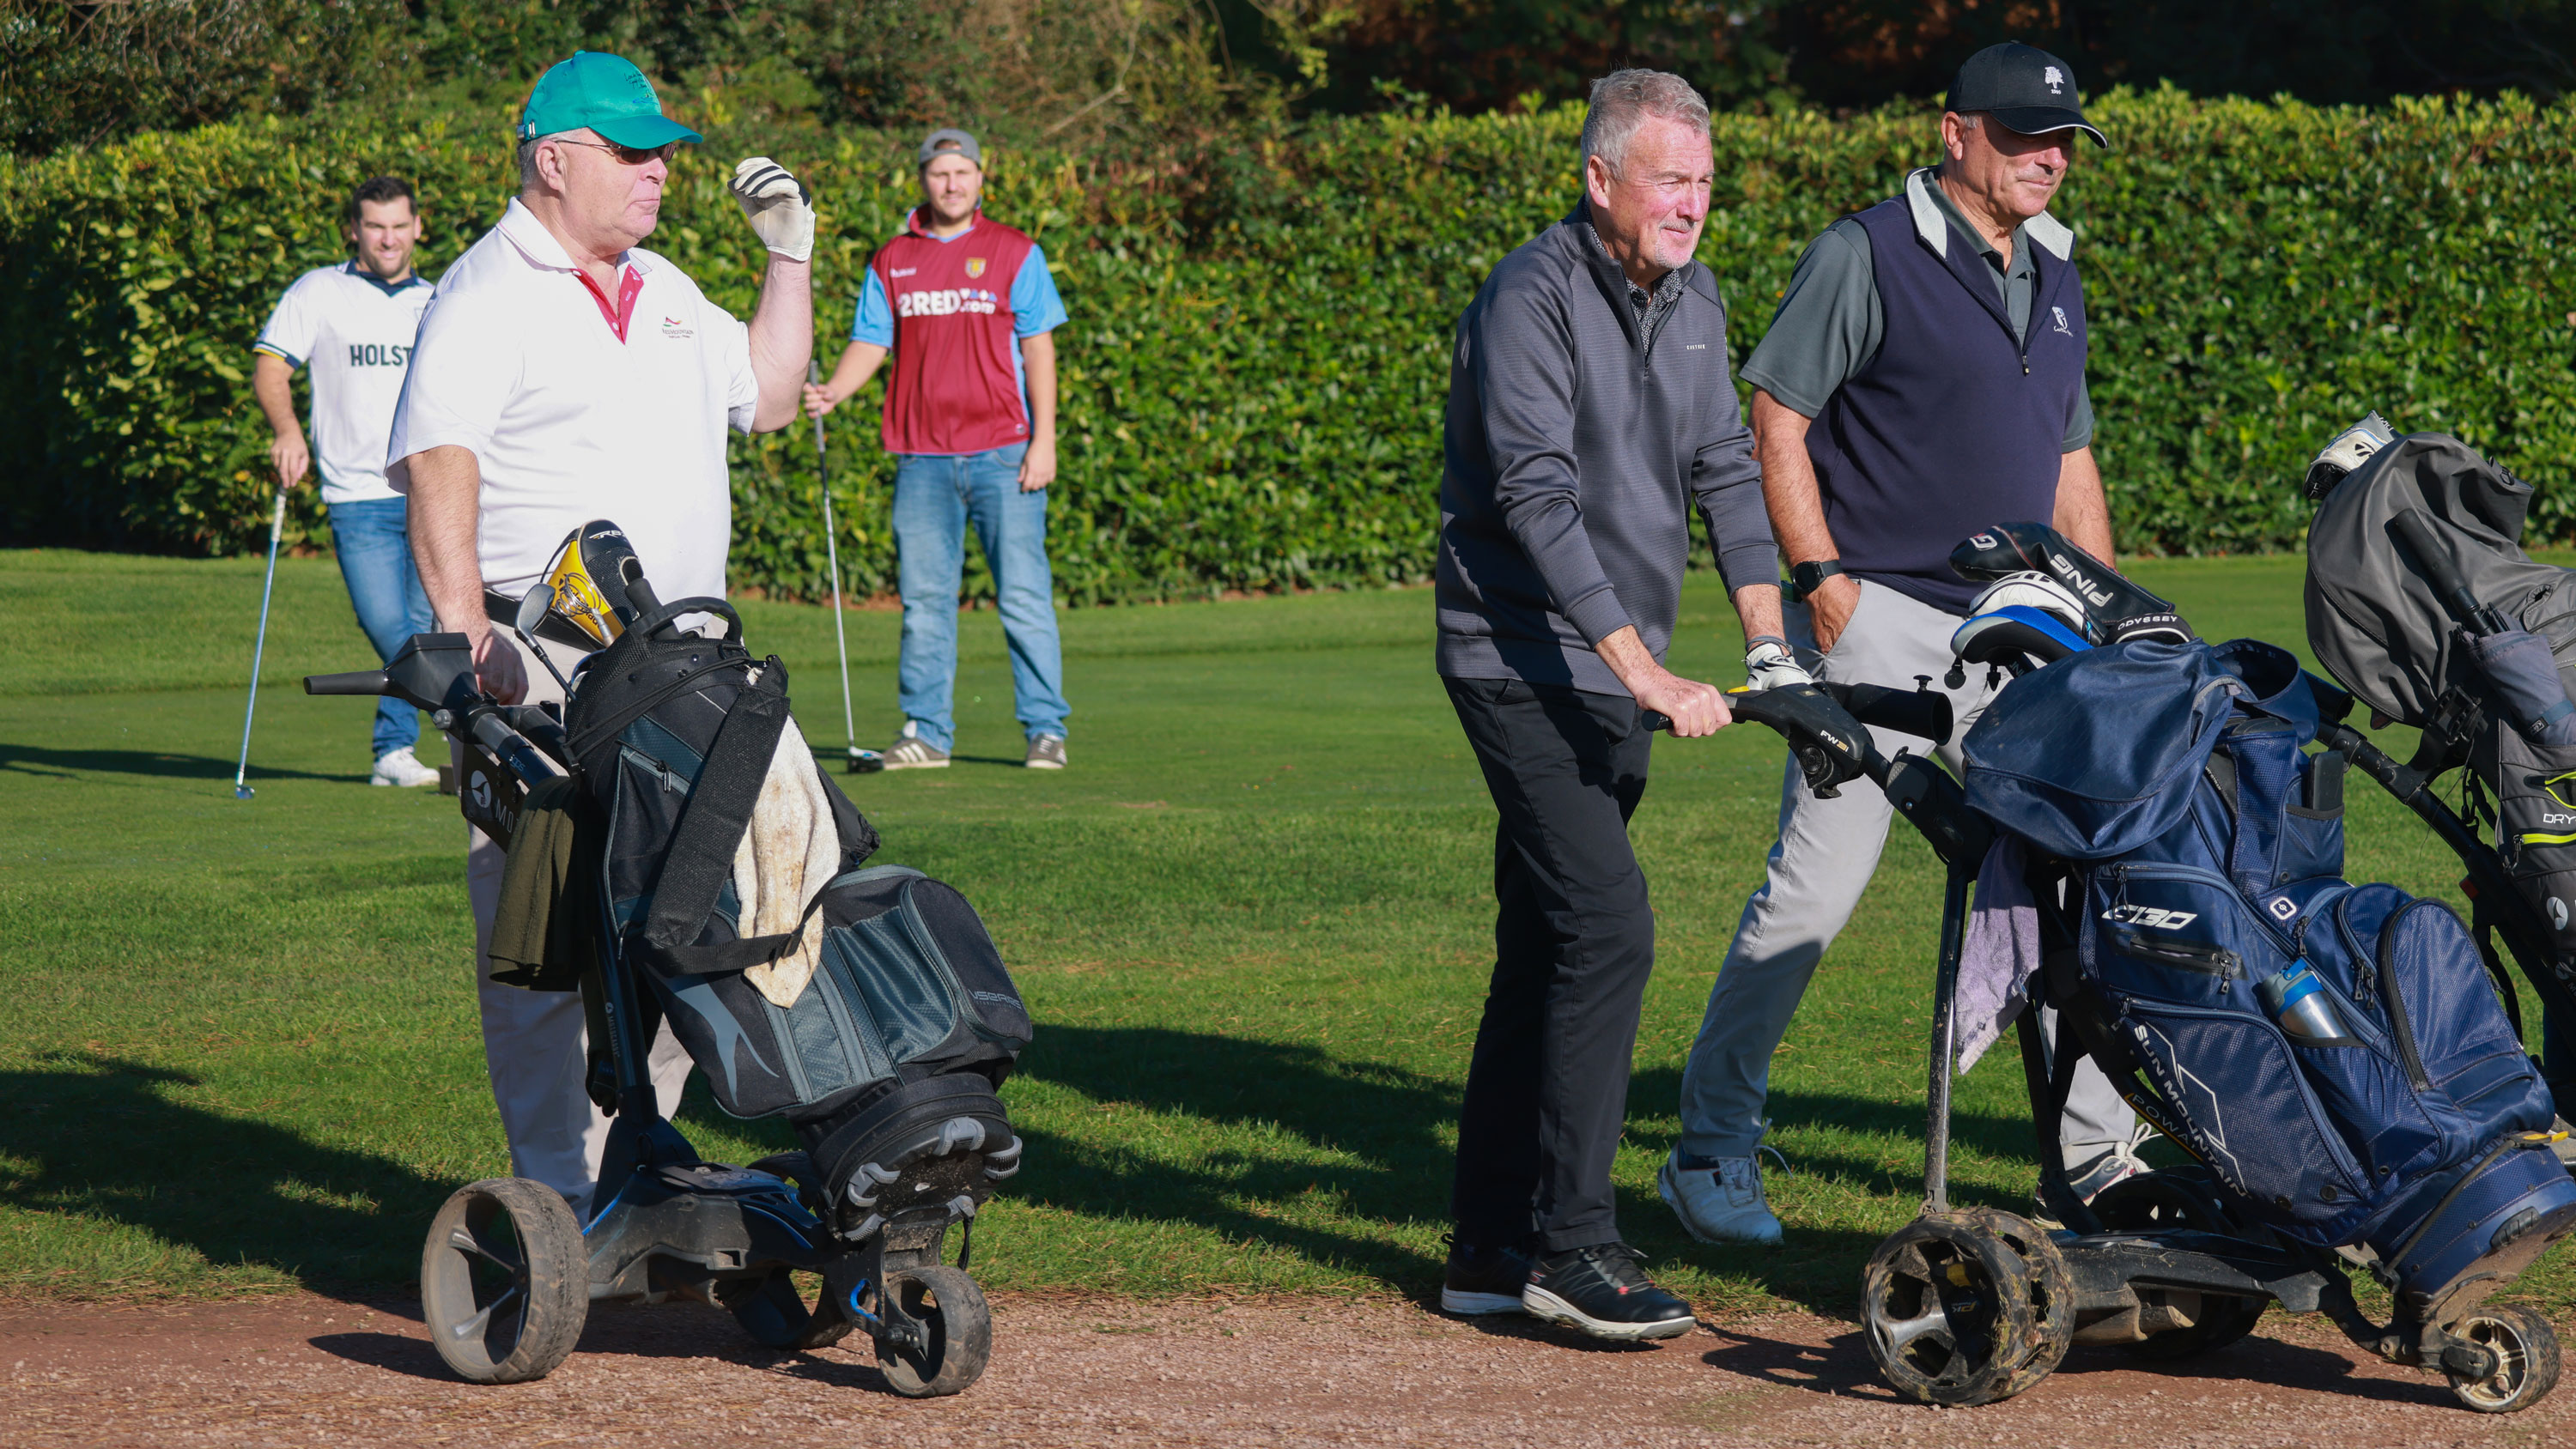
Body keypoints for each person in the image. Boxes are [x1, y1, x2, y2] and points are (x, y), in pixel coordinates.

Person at [1664, 42, 2138, 1246]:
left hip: (2030, 640)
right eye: (2026, 134)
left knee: (2065, 890)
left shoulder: (2059, 272)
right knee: (1817, 887)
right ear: (1954, 133)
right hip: (1884, 627)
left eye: (2064, 138)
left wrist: (2110, 617)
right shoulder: (1866, 250)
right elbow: (1779, 411)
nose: (2050, 156)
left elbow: (2069, 460)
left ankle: (2089, 1158)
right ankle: (1711, 1148)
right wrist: (1822, 582)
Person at [386, 50, 817, 1216]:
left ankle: (637, 1165)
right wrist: (464, 634)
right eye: (633, 153)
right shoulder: (486, 291)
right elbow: (438, 462)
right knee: (543, 942)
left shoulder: (667, 287)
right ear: (554, 159)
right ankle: (555, 1195)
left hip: (681, 672)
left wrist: (791, 254)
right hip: (545, 675)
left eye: (665, 152)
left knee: (679, 926)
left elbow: (770, 397)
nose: (659, 172)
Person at [1434, 70, 1800, 1342]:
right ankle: (1572, 1246)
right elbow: (1535, 497)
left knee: (1542, 945)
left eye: (1704, 181)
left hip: (1613, 675)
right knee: (1610, 928)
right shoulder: (1528, 297)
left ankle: (1486, 1245)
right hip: (1519, 657)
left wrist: (1768, 637)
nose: (1693, 204)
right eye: (1669, 180)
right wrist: (1643, 665)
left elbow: (1724, 470)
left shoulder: (1692, 298)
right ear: (1601, 180)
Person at [803, 128, 1072, 772]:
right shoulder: (893, 258)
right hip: (921, 457)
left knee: (1024, 596)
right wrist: (835, 391)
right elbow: (873, 340)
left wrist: (1046, 438)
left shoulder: (1015, 252)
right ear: (923, 180)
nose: (952, 184)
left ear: (980, 179)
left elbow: (1039, 348)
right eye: (940, 173)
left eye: (963, 173)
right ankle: (926, 733)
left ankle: (1046, 730)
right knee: (925, 602)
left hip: (1005, 452)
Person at [252, 176, 441, 789]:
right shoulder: (319, 291)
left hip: (430, 492)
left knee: (425, 627)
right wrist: (287, 432)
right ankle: (453, 707)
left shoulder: (438, 300)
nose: (388, 239)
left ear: (418, 229)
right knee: (391, 627)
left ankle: (393, 752)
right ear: (354, 230)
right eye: (375, 226)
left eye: (398, 226)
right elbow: (271, 366)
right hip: (357, 498)